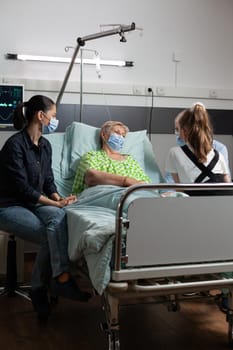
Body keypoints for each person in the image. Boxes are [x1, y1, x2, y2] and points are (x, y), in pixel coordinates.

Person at [0, 95, 91, 321]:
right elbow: (23, 189)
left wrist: (60, 198)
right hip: (9, 205)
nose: (55, 120)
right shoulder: (14, 146)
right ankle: (46, 285)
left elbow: (48, 180)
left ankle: (54, 280)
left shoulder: (46, 145)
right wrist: (54, 203)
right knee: (50, 234)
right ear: (41, 116)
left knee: (59, 219)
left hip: (34, 203)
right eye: (53, 116)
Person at [72, 120, 151, 195]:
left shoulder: (130, 160)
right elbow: (91, 176)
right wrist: (126, 181)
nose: (120, 138)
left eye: (123, 136)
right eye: (117, 133)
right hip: (107, 195)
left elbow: (145, 183)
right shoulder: (92, 156)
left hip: (136, 196)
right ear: (103, 135)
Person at [165, 103, 231, 185]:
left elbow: (179, 190)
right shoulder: (219, 154)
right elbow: (227, 184)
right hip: (223, 196)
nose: (177, 134)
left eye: (177, 129)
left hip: (196, 197)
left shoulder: (174, 152)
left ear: (183, 130)